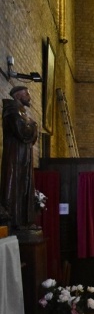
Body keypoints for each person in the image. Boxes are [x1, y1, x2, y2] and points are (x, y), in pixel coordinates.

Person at [1, 86, 39, 230]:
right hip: (15, 159)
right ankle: (15, 221)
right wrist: (33, 125)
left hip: (24, 158)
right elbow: (23, 132)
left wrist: (31, 127)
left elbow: (31, 138)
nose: (29, 97)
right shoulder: (12, 111)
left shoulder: (22, 113)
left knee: (24, 187)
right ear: (17, 96)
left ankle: (23, 221)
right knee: (16, 186)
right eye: (26, 94)